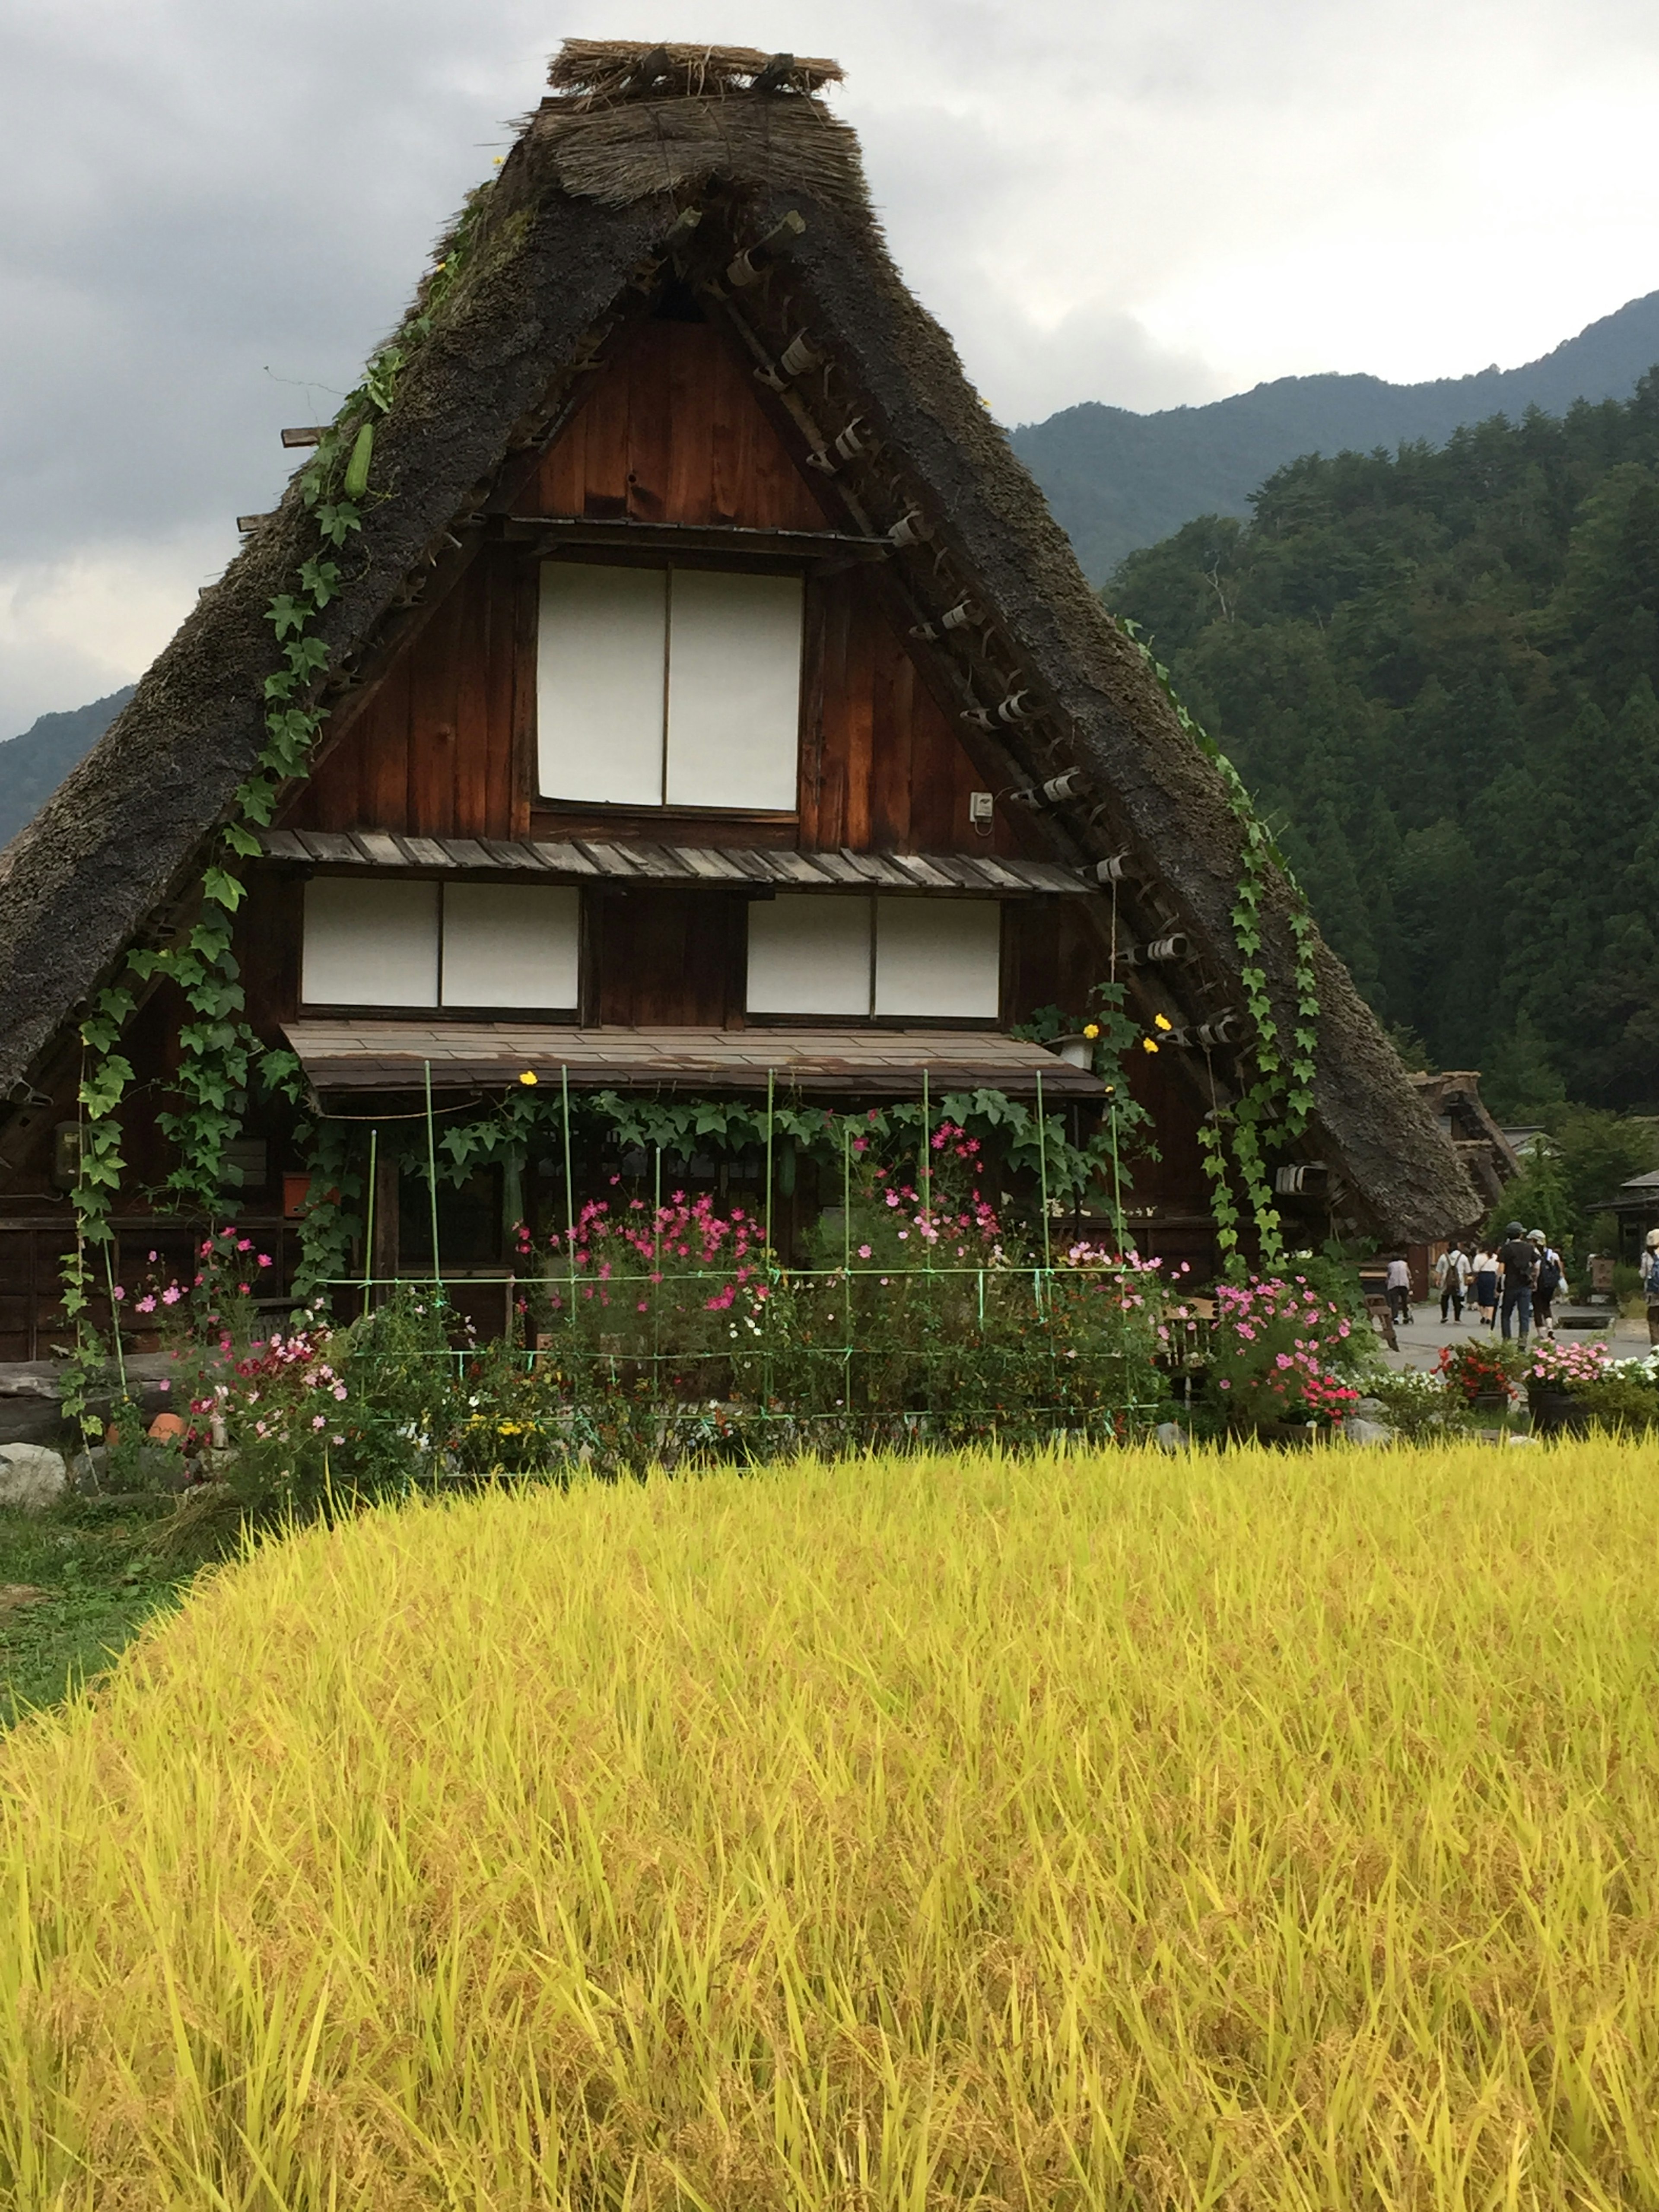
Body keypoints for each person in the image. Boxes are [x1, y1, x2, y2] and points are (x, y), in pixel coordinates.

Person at [1497, 1219, 1538, 1342]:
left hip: (1510, 1285)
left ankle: (1507, 1339)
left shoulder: (1506, 1249)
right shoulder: (1529, 1248)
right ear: (1521, 1234)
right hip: (1525, 1284)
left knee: (1506, 1314)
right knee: (1524, 1315)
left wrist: (1498, 1285)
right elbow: (1537, 1265)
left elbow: (1501, 1269)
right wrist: (1534, 1278)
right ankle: (1523, 1340)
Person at [1529, 1229, 1563, 1337]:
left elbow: (1535, 1269)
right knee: (1547, 1306)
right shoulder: (1552, 1254)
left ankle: (1540, 1333)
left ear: (1534, 1240)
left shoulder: (1533, 1253)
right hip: (1550, 1284)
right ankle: (1550, 1327)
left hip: (1538, 1283)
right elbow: (1560, 1270)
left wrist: (1534, 1282)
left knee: (1537, 1307)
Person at [1434, 1242, 1471, 1323]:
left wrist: (1438, 1280)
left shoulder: (1444, 1257)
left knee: (1445, 1298)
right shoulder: (1463, 1257)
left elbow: (1439, 1271)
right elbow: (1468, 1271)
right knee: (1457, 1300)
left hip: (1446, 1281)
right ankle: (1457, 1318)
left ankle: (1444, 1316)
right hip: (1459, 1281)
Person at [1471, 1245, 1499, 1328]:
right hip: (1492, 1277)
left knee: (1482, 1296)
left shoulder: (1479, 1257)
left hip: (1482, 1276)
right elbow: (1498, 1269)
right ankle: (1490, 1318)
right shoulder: (1495, 1257)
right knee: (1491, 1296)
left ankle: (1483, 1316)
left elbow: (1475, 1269)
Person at [1385, 1252, 1413, 1326]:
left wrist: (1387, 1282)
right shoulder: (1405, 1264)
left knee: (1395, 1303)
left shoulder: (1390, 1265)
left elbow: (1389, 1275)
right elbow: (1409, 1274)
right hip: (1404, 1284)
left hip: (1394, 1285)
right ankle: (1406, 1317)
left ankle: (1396, 1318)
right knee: (1405, 1302)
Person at [1643, 1229, 1659, 1346]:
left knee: (1653, 1320)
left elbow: (1643, 1274)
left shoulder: (1646, 1256)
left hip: (1653, 1295)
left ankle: (1656, 1350)